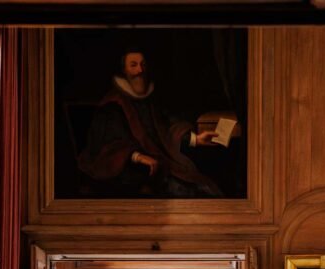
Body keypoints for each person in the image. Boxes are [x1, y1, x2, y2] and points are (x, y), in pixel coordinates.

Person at [78, 49, 222, 198]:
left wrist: (195, 139)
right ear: (124, 71)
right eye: (133, 65)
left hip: (163, 162)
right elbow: (108, 144)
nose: (140, 70)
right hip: (131, 170)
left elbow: (168, 127)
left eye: (143, 65)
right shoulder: (113, 105)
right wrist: (137, 157)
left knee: (204, 187)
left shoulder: (150, 100)